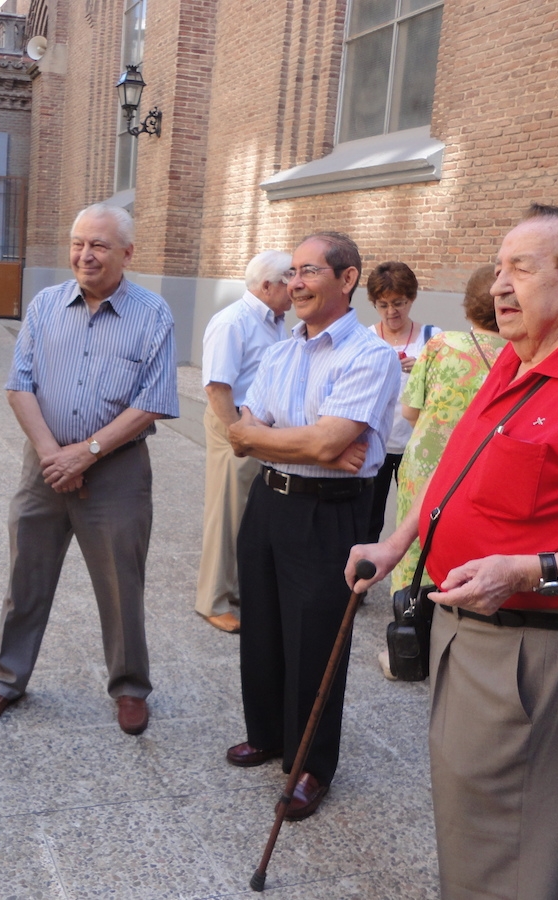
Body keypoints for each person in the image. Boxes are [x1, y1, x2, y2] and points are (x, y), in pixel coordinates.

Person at [347, 204, 558, 900]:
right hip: (475, 629)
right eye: (498, 266)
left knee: (512, 838)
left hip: (542, 645)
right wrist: (397, 540)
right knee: (474, 816)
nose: (499, 284)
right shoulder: (521, 359)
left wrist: (528, 570)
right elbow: (459, 471)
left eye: (521, 267)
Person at [0, 203, 179, 735]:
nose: (85, 254)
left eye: (99, 245)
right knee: (26, 574)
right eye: (78, 242)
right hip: (44, 464)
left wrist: (85, 453)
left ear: (127, 253)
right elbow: (19, 385)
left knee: (121, 582)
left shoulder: (153, 314)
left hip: (118, 472)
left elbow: (152, 401)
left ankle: (130, 686)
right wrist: (52, 456)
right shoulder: (43, 306)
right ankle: (5, 679)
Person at [223, 232, 399, 822]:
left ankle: (310, 765)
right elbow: (242, 434)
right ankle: (269, 734)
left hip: (329, 513)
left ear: (346, 280)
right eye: (292, 272)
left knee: (316, 642)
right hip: (268, 504)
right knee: (265, 626)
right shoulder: (280, 351)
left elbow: (327, 442)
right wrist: (314, 443)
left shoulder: (368, 355)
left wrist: (314, 442)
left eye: (309, 271)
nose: (295, 283)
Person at [378, 264, 505, 678]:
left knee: (411, 548)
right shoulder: (520, 355)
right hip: (484, 467)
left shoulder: (441, 345)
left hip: (428, 460)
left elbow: (411, 410)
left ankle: (406, 648)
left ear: (467, 303)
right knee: (467, 547)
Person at [194, 250, 291, 634]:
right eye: (290, 278)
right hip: (233, 425)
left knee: (248, 513)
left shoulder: (275, 320)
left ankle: (233, 588)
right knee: (226, 513)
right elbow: (218, 386)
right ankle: (211, 600)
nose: (296, 285)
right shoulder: (233, 321)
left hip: (257, 430)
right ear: (267, 285)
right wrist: (237, 432)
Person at [364, 261, 439, 542]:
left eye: (399, 303)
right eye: (383, 305)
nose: (391, 312)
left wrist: (424, 368)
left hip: (416, 445)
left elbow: (446, 388)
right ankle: (358, 583)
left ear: (412, 298)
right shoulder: (367, 340)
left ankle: (412, 580)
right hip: (376, 444)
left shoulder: (432, 337)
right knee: (369, 518)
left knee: (416, 519)